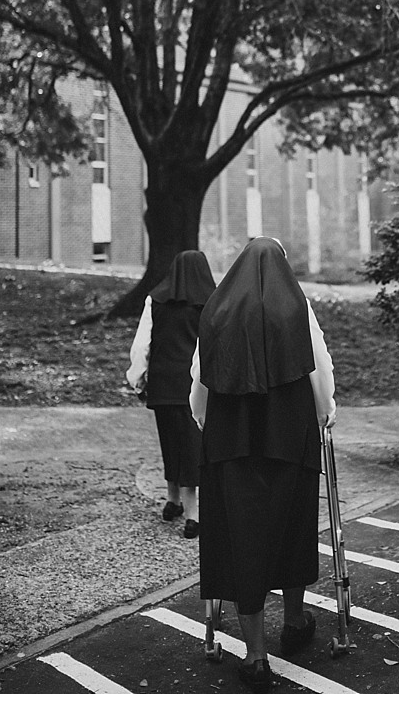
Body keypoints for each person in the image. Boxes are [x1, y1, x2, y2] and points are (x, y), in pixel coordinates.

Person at [191, 237, 336, 690]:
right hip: (289, 441)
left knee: (241, 542)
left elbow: (199, 382)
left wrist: (204, 422)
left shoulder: (215, 312)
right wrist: (325, 413)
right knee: (293, 529)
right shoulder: (296, 308)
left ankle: (255, 656)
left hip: (232, 447)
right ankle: (293, 622)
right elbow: (319, 369)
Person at [127, 249, 217, 538]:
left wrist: (137, 379)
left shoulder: (156, 299)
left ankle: (172, 500)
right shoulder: (210, 302)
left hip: (163, 383)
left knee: (169, 441)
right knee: (193, 446)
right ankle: (193, 515)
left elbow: (143, 345)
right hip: (195, 384)